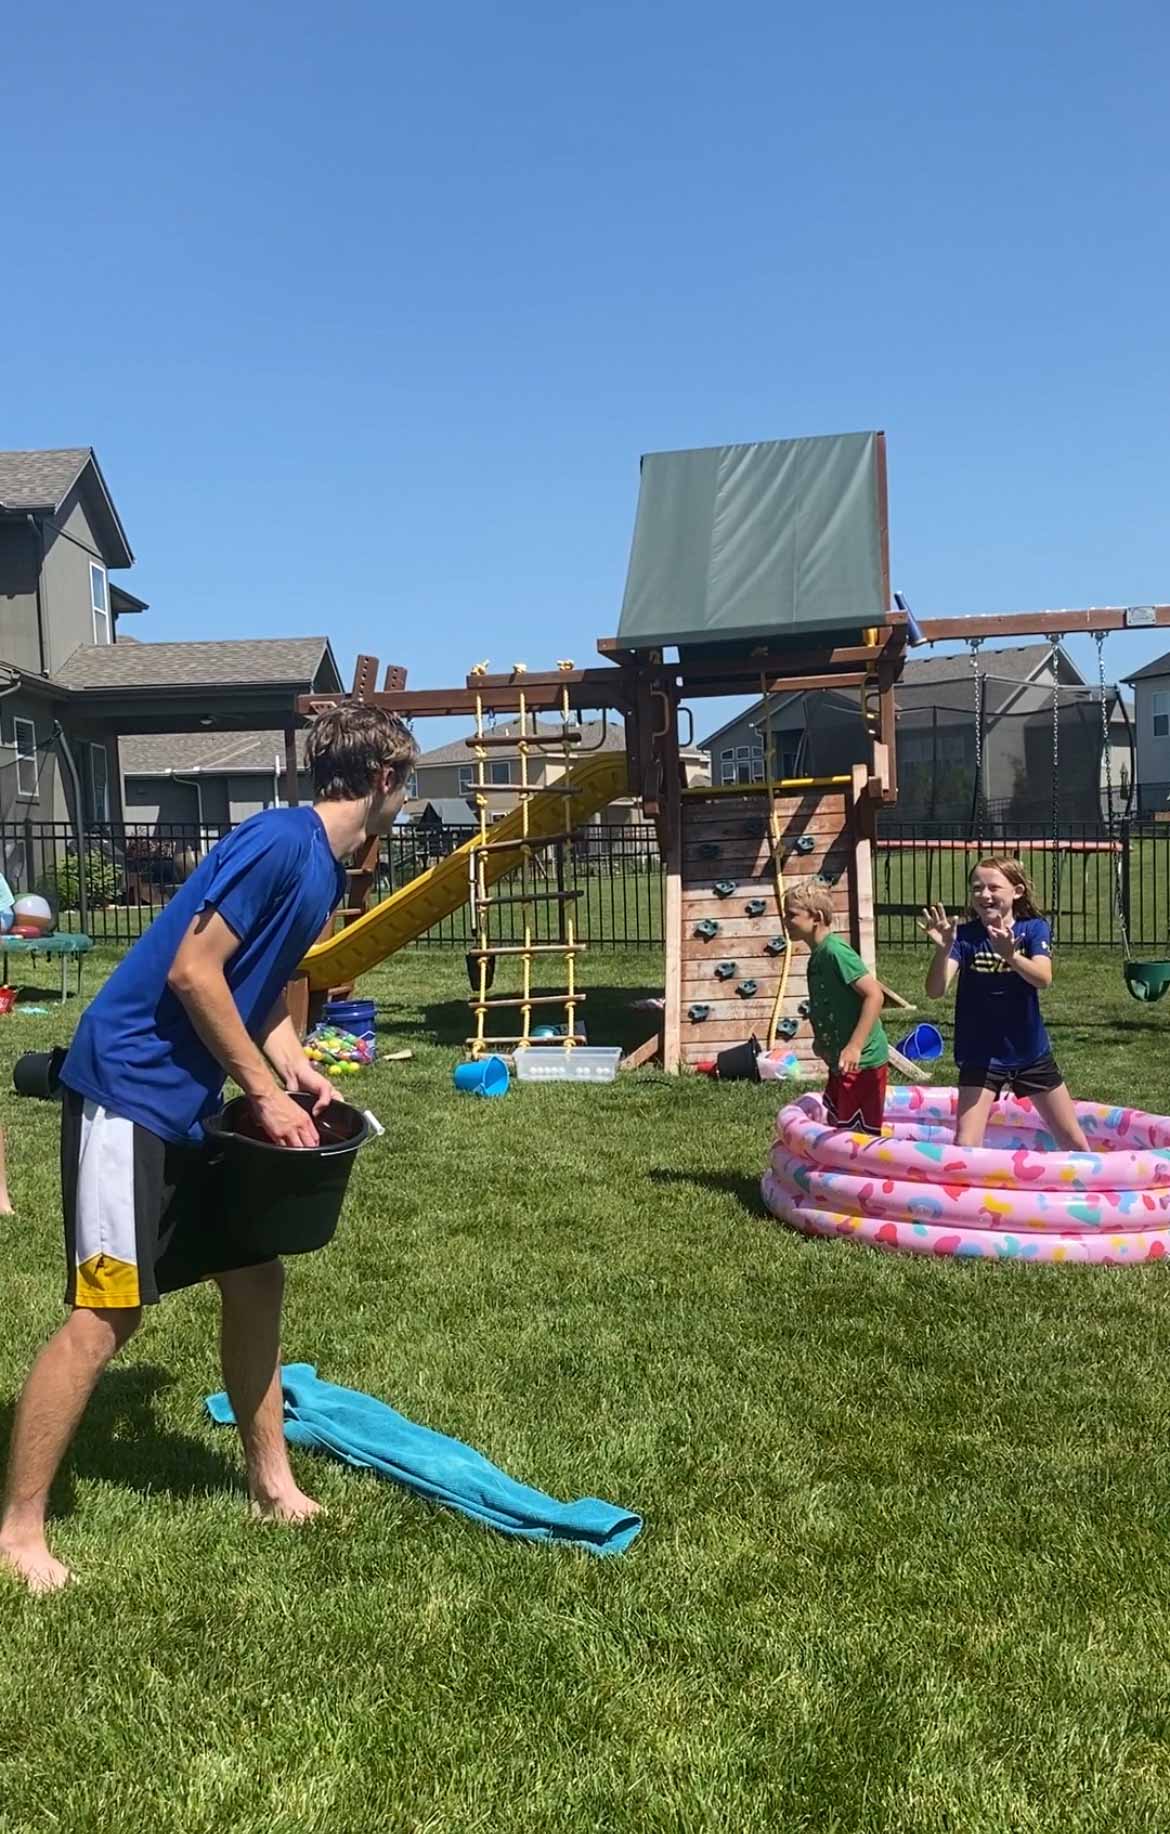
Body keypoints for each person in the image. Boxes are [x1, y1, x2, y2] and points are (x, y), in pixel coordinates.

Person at [0, 703, 417, 1593]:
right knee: (107, 1313)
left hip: (184, 1107)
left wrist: (300, 1074)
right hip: (126, 1095)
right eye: (405, 789)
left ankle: (271, 1486)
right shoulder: (281, 843)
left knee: (256, 1273)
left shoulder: (317, 867)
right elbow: (193, 971)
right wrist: (262, 1096)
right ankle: (19, 1530)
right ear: (383, 780)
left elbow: (250, 987)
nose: (403, 806)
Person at [920, 856, 1087, 1151]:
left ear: (1017, 891)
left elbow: (1043, 978)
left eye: (993, 887)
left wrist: (1011, 955)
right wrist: (944, 949)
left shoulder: (1033, 929)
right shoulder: (964, 937)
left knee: (1073, 1140)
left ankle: (1091, 1195)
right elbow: (935, 991)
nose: (984, 895)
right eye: (977, 888)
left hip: (1029, 1051)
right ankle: (971, 1197)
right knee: (965, 1144)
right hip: (980, 1053)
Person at [783, 877, 890, 1134]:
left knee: (857, 1135)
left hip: (862, 1061)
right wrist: (824, 1042)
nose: (785, 921)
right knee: (841, 1123)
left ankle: (860, 1174)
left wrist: (854, 1047)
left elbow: (874, 995)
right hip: (843, 1060)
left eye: (792, 915)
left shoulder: (835, 953)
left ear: (816, 917)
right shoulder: (818, 956)